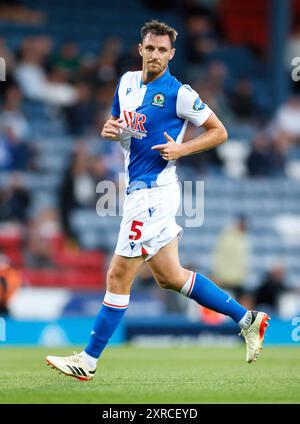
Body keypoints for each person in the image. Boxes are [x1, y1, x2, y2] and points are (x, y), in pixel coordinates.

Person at [46, 20, 270, 381]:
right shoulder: (126, 82)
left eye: (162, 50)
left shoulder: (180, 93)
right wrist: (111, 130)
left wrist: (182, 148)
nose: (155, 55)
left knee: (118, 274)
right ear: (141, 49)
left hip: (154, 192)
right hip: (140, 188)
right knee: (170, 277)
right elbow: (123, 129)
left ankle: (88, 360)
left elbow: (220, 131)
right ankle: (248, 320)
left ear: (172, 54)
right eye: (150, 48)